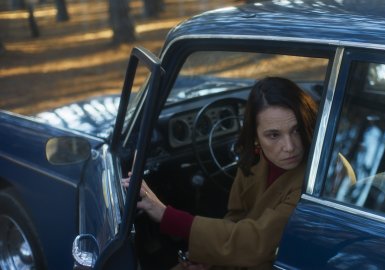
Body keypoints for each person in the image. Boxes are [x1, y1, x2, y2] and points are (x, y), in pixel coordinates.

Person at [123, 76, 318, 269]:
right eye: (274, 135)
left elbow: (258, 243)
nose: (290, 147)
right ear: (256, 136)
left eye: (297, 130)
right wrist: (212, 257)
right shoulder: (255, 160)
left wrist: (165, 214)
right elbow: (236, 216)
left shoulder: (316, 178)